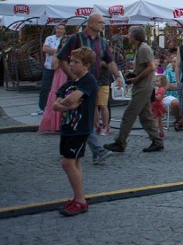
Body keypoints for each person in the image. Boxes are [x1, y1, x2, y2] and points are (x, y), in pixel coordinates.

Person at [54, 13, 123, 164]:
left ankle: (92, 150)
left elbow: (110, 61)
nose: (102, 25)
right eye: (100, 22)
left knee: (88, 117)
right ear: (90, 24)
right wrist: (72, 76)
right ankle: (96, 150)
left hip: (93, 83)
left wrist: (118, 76)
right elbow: (62, 57)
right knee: (83, 116)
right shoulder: (76, 38)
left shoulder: (103, 42)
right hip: (79, 84)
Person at [53, 47, 98, 217]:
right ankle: (78, 197)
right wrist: (70, 105)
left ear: (86, 65)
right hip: (67, 128)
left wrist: (68, 102)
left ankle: (80, 200)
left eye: (75, 62)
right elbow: (55, 105)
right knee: (75, 163)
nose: (71, 64)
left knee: (67, 163)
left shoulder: (88, 80)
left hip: (80, 128)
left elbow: (70, 98)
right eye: (71, 61)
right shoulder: (70, 82)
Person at [104, 26, 162, 153]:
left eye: (129, 34)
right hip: (143, 86)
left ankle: (120, 142)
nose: (127, 36)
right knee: (146, 116)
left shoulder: (143, 49)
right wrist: (134, 73)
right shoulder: (141, 48)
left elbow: (151, 67)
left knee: (128, 115)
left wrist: (137, 78)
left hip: (142, 87)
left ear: (135, 36)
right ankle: (157, 142)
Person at [34, 24, 66, 116]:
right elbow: (45, 48)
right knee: (45, 87)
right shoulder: (49, 38)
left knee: (58, 88)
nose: (59, 30)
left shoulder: (65, 40)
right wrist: (59, 51)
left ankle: (57, 107)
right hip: (49, 67)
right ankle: (41, 108)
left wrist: (52, 50)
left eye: (61, 29)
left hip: (61, 68)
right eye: (58, 28)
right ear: (56, 29)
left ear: (64, 31)